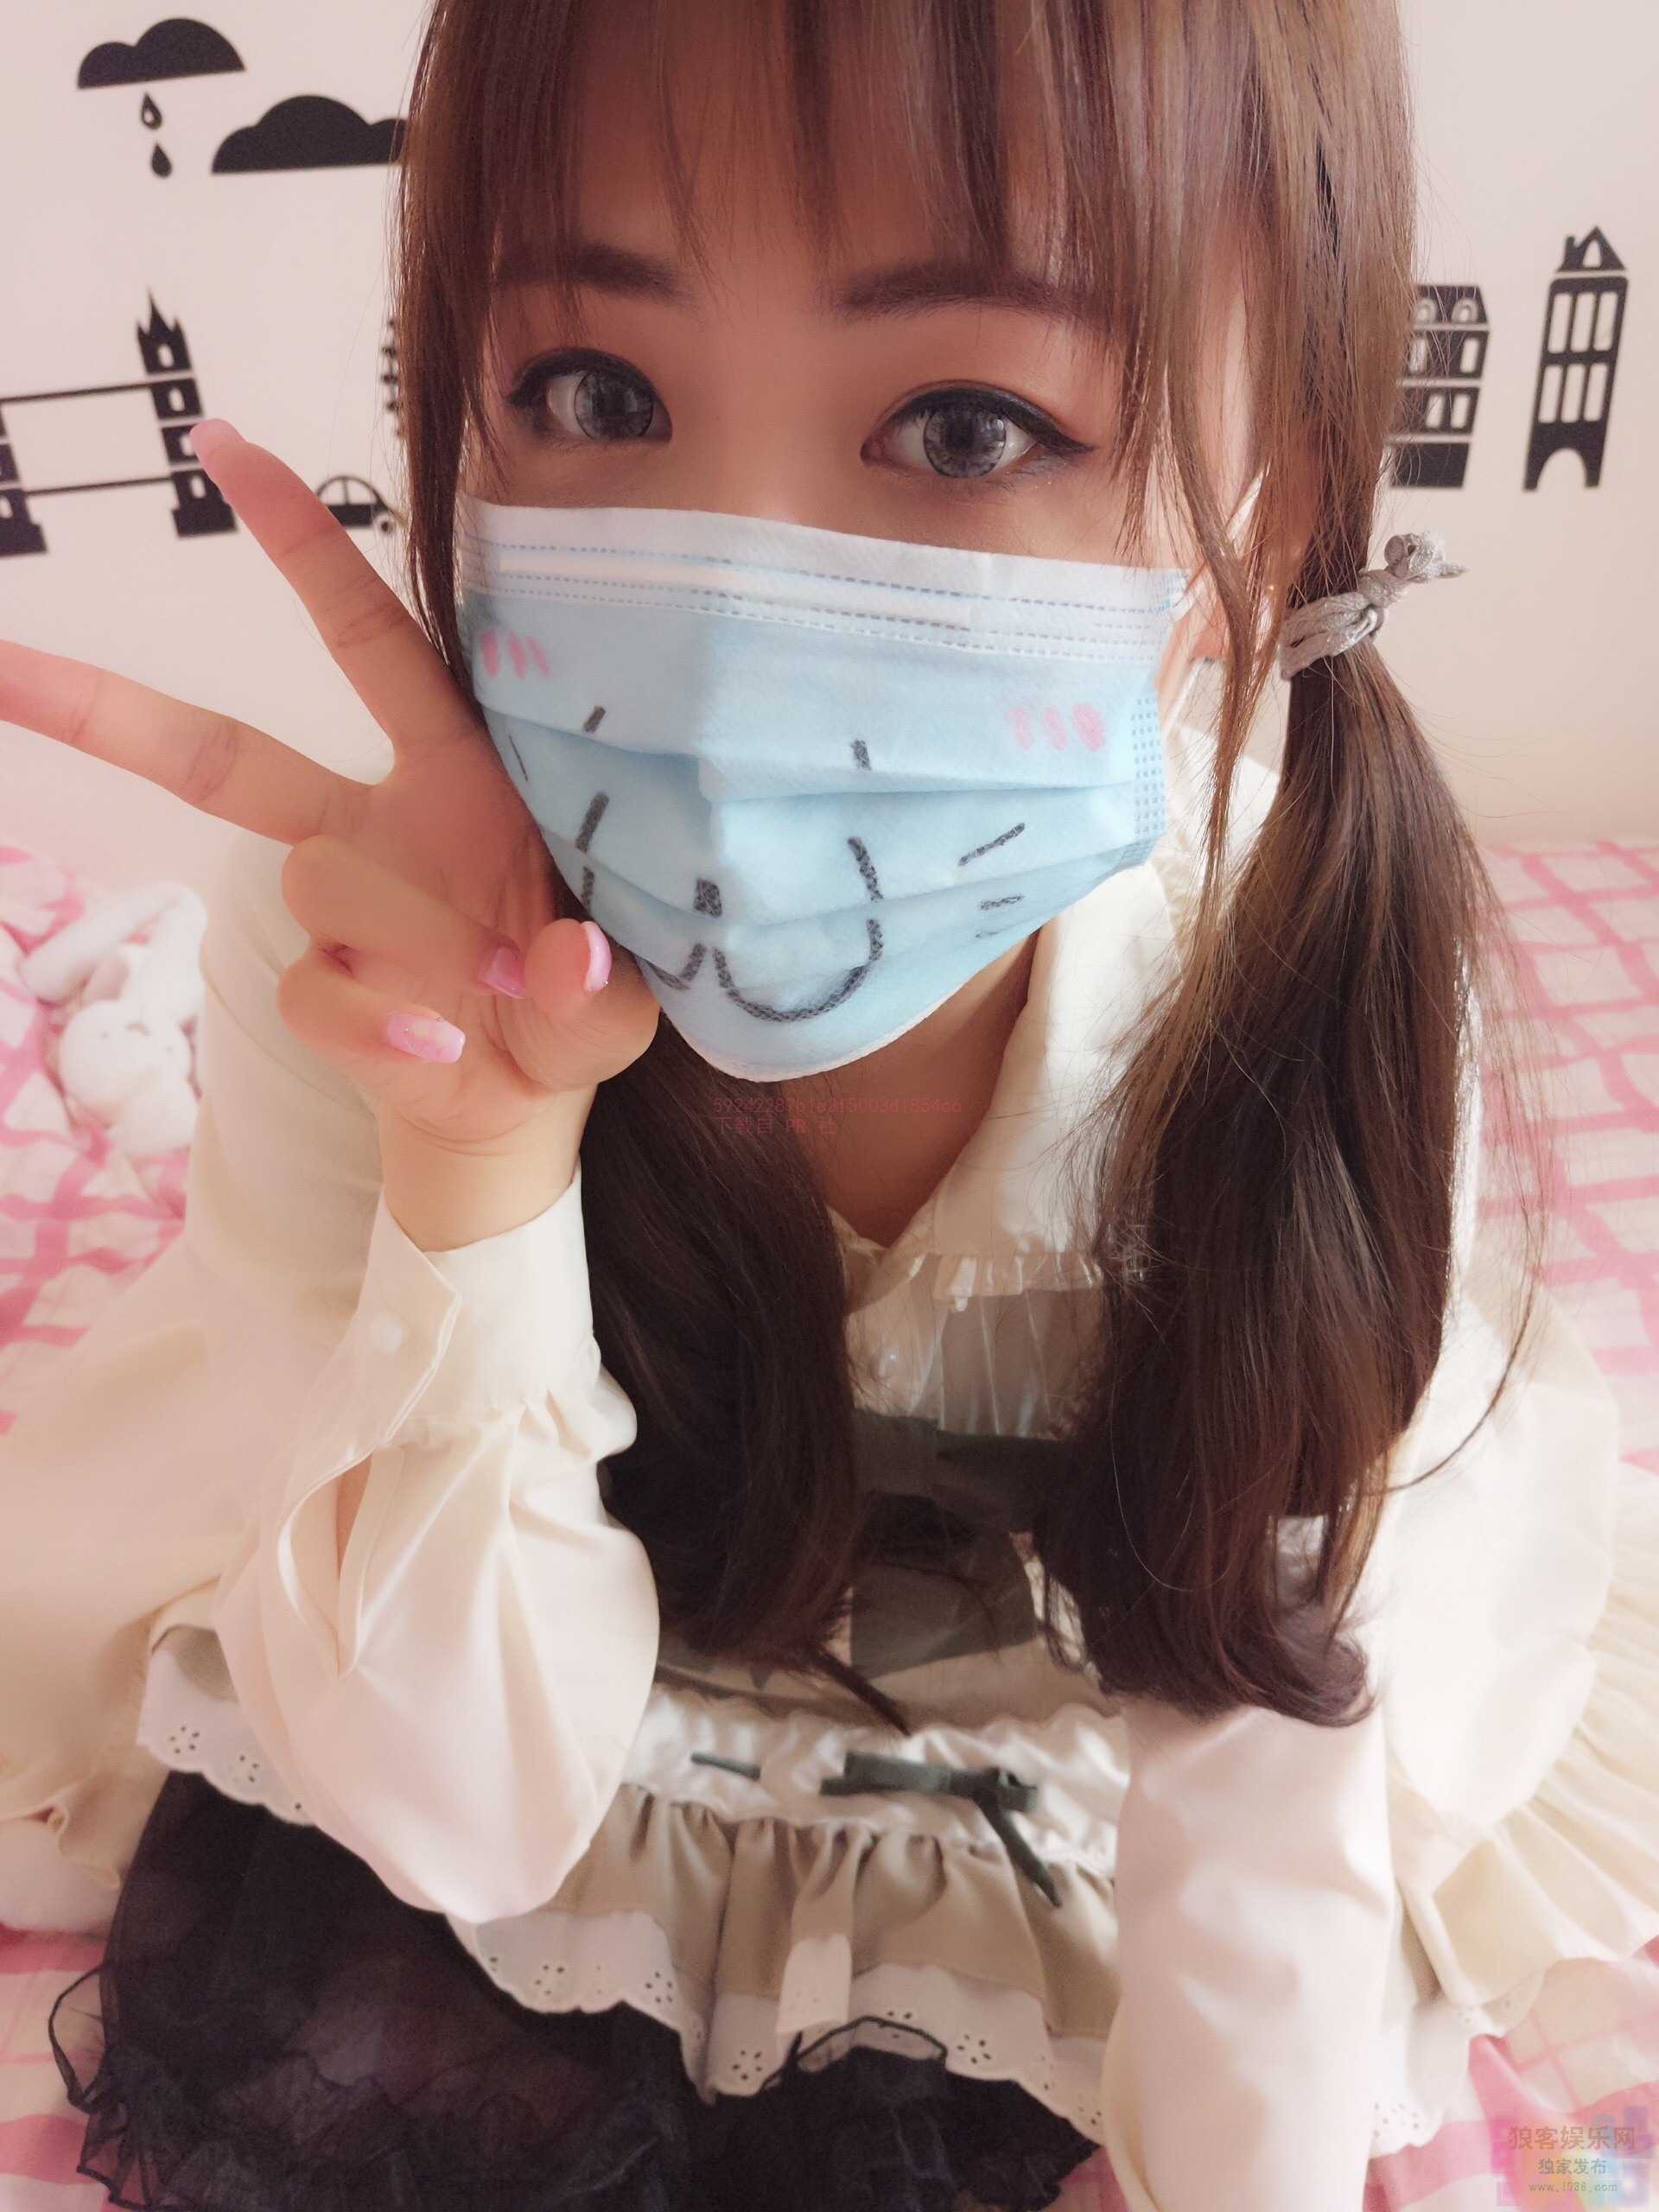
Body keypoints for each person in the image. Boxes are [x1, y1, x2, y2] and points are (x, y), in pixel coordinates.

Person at [1, 1, 1655, 2207]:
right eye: (597, 393)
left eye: (967, 424)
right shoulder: (369, 957)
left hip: (1081, 1694)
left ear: (1267, 520)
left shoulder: (1298, 984)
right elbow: (455, 1807)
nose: (726, 627)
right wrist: (474, 1165)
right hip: (574, 1660)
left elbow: (1259, 1764)